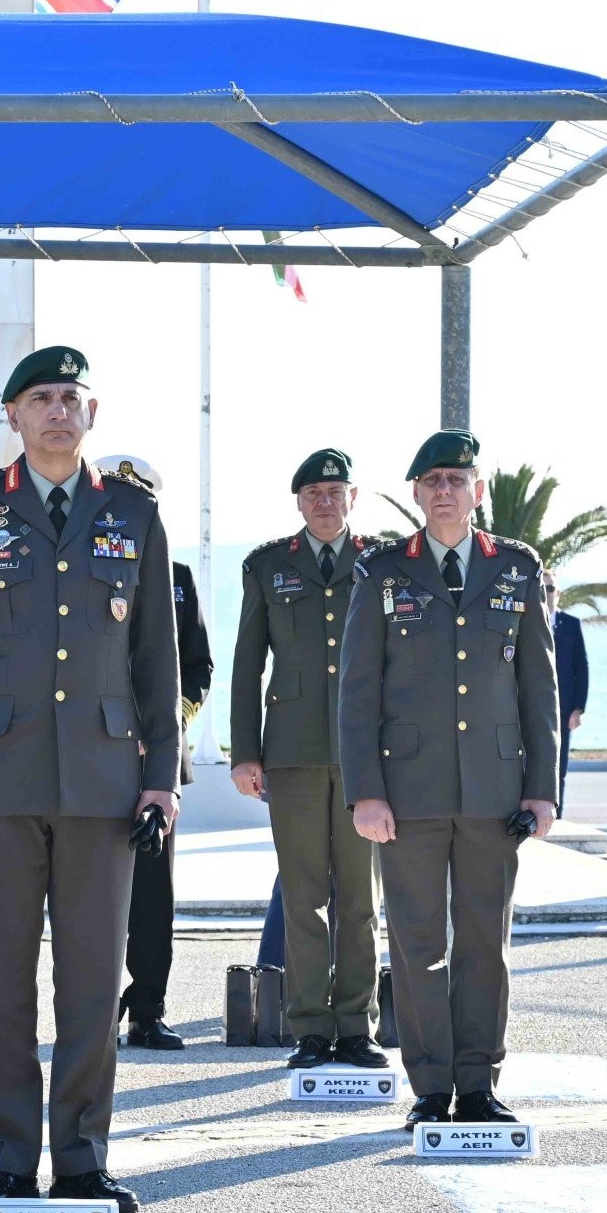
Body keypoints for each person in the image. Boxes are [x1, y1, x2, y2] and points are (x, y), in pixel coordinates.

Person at [0, 346, 182, 1213]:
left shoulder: (134, 514)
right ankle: (6, 1160)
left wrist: (162, 777)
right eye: (42, 398)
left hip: (105, 782)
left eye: (71, 397)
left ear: (92, 413)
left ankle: (81, 1159)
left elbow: (156, 658)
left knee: (93, 985)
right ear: (15, 416)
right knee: (1, 984)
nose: (58, 411)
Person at [338, 428, 559, 1132]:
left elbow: (539, 688)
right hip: (408, 792)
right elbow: (357, 693)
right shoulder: (383, 572)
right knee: (417, 944)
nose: (444, 491)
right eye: (432, 481)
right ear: (415, 492)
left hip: (495, 792)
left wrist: (543, 787)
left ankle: (480, 1083)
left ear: (477, 491)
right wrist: (365, 791)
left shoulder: (516, 569)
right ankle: (432, 1087)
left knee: (485, 942)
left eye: (456, 480)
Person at [230, 447, 387, 1071]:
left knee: (360, 898)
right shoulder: (269, 566)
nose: (325, 502)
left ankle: (356, 1026)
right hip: (291, 753)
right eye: (313, 493)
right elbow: (247, 665)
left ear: (353, 499)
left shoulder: (381, 564)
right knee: (303, 896)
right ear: (298, 502)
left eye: (335, 491)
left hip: (365, 757)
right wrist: (245, 753)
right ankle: (311, 1029)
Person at [92, 454, 210, 1050]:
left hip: (156, 763)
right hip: (93, 755)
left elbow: (198, 669)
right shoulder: (82, 569)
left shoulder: (179, 577)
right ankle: (94, 1012)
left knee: (153, 894)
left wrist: (167, 726)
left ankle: (148, 1008)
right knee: (89, 889)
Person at [546, 572, 589, 817]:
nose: (546, 594)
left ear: (558, 593)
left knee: (559, 765)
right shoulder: (525, 622)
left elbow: (581, 669)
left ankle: (557, 817)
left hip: (563, 707)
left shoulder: (571, 625)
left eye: (550, 589)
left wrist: (578, 709)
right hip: (531, 707)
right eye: (541, 589)